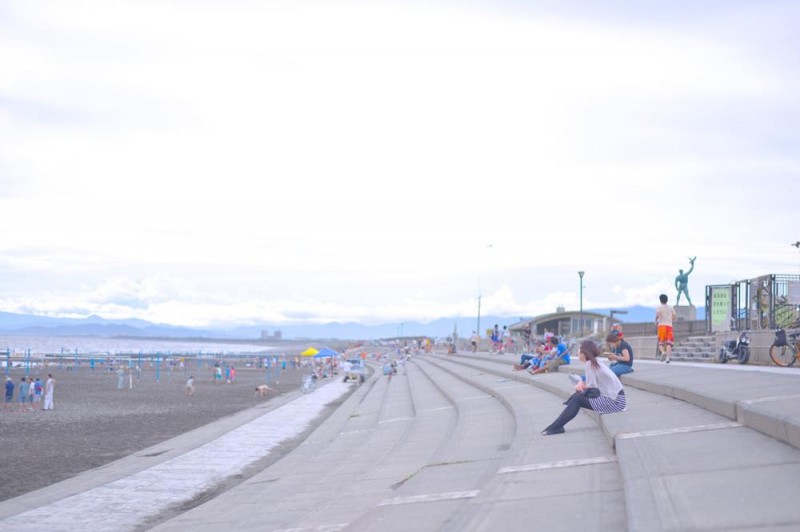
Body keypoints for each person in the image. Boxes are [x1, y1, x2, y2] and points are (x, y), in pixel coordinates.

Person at [541, 340, 627, 435]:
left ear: (584, 353)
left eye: (579, 350)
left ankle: (556, 426)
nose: (578, 352)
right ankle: (556, 426)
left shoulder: (590, 364)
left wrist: (579, 387)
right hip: (617, 399)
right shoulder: (595, 362)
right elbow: (593, 386)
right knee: (578, 397)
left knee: (578, 398)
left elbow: (592, 389)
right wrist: (581, 384)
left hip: (616, 402)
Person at [656, 293, 677, 363]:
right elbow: (674, 316)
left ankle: (663, 352)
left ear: (660, 300)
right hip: (669, 326)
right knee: (669, 343)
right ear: (667, 300)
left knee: (661, 343)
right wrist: (670, 319)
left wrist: (656, 320)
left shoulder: (659, 307)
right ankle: (668, 358)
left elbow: (658, 314)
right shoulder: (671, 307)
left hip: (661, 326)